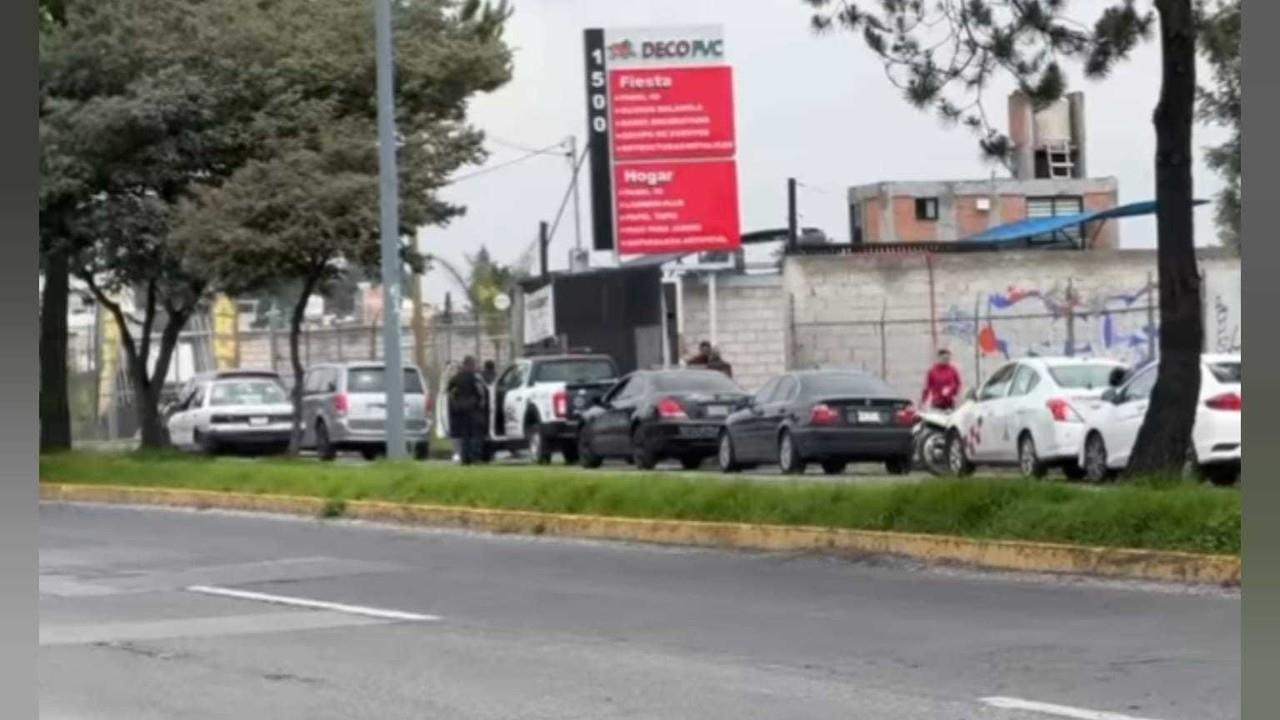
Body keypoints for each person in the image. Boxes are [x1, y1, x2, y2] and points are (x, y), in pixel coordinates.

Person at [447, 356, 488, 465]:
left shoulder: (455, 378)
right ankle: (474, 458)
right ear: (469, 365)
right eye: (473, 364)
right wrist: (481, 403)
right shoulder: (475, 378)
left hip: (461, 409)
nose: (474, 367)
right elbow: (481, 392)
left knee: (464, 435)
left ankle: (465, 459)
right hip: (473, 408)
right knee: (474, 435)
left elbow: (450, 393)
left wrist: (455, 404)